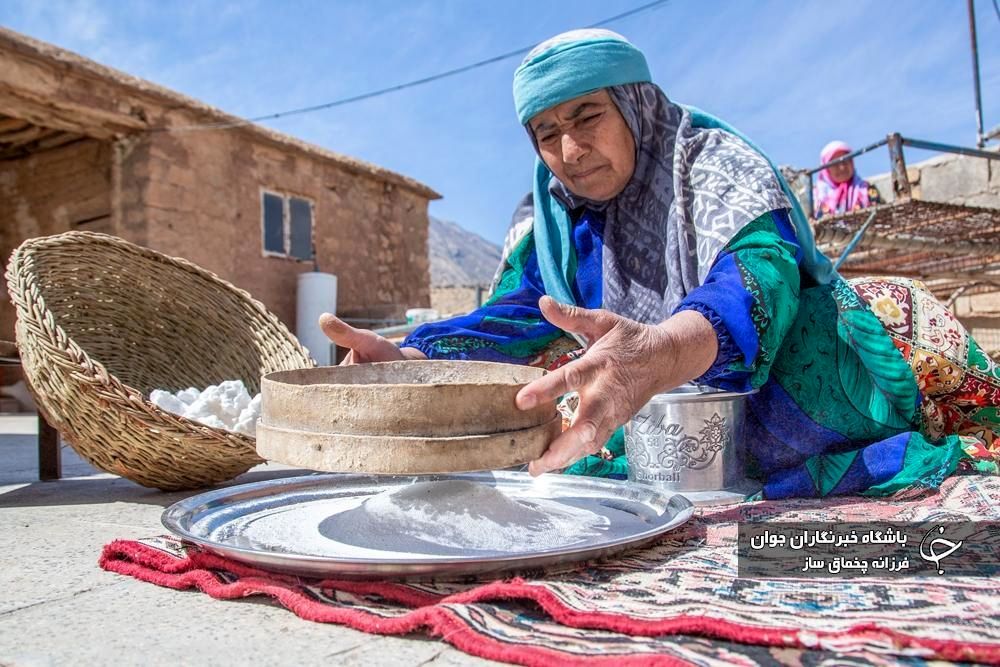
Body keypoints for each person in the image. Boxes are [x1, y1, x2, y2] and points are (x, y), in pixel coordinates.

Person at [321, 29, 999, 499]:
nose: (570, 147)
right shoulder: (553, 222)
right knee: (558, 375)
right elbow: (518, 316)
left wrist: (661, 350)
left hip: (827, 355)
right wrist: (414, 352)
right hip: (679, 398)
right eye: (546, 132)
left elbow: (757, 276)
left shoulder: (713, 167)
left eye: (587, 115)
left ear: (635, 107)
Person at [812, 140, 883, 219]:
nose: (842, 168)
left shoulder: (866, 189)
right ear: (826, 169)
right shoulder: (816, 196)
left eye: (846, 161)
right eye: (835, 164)